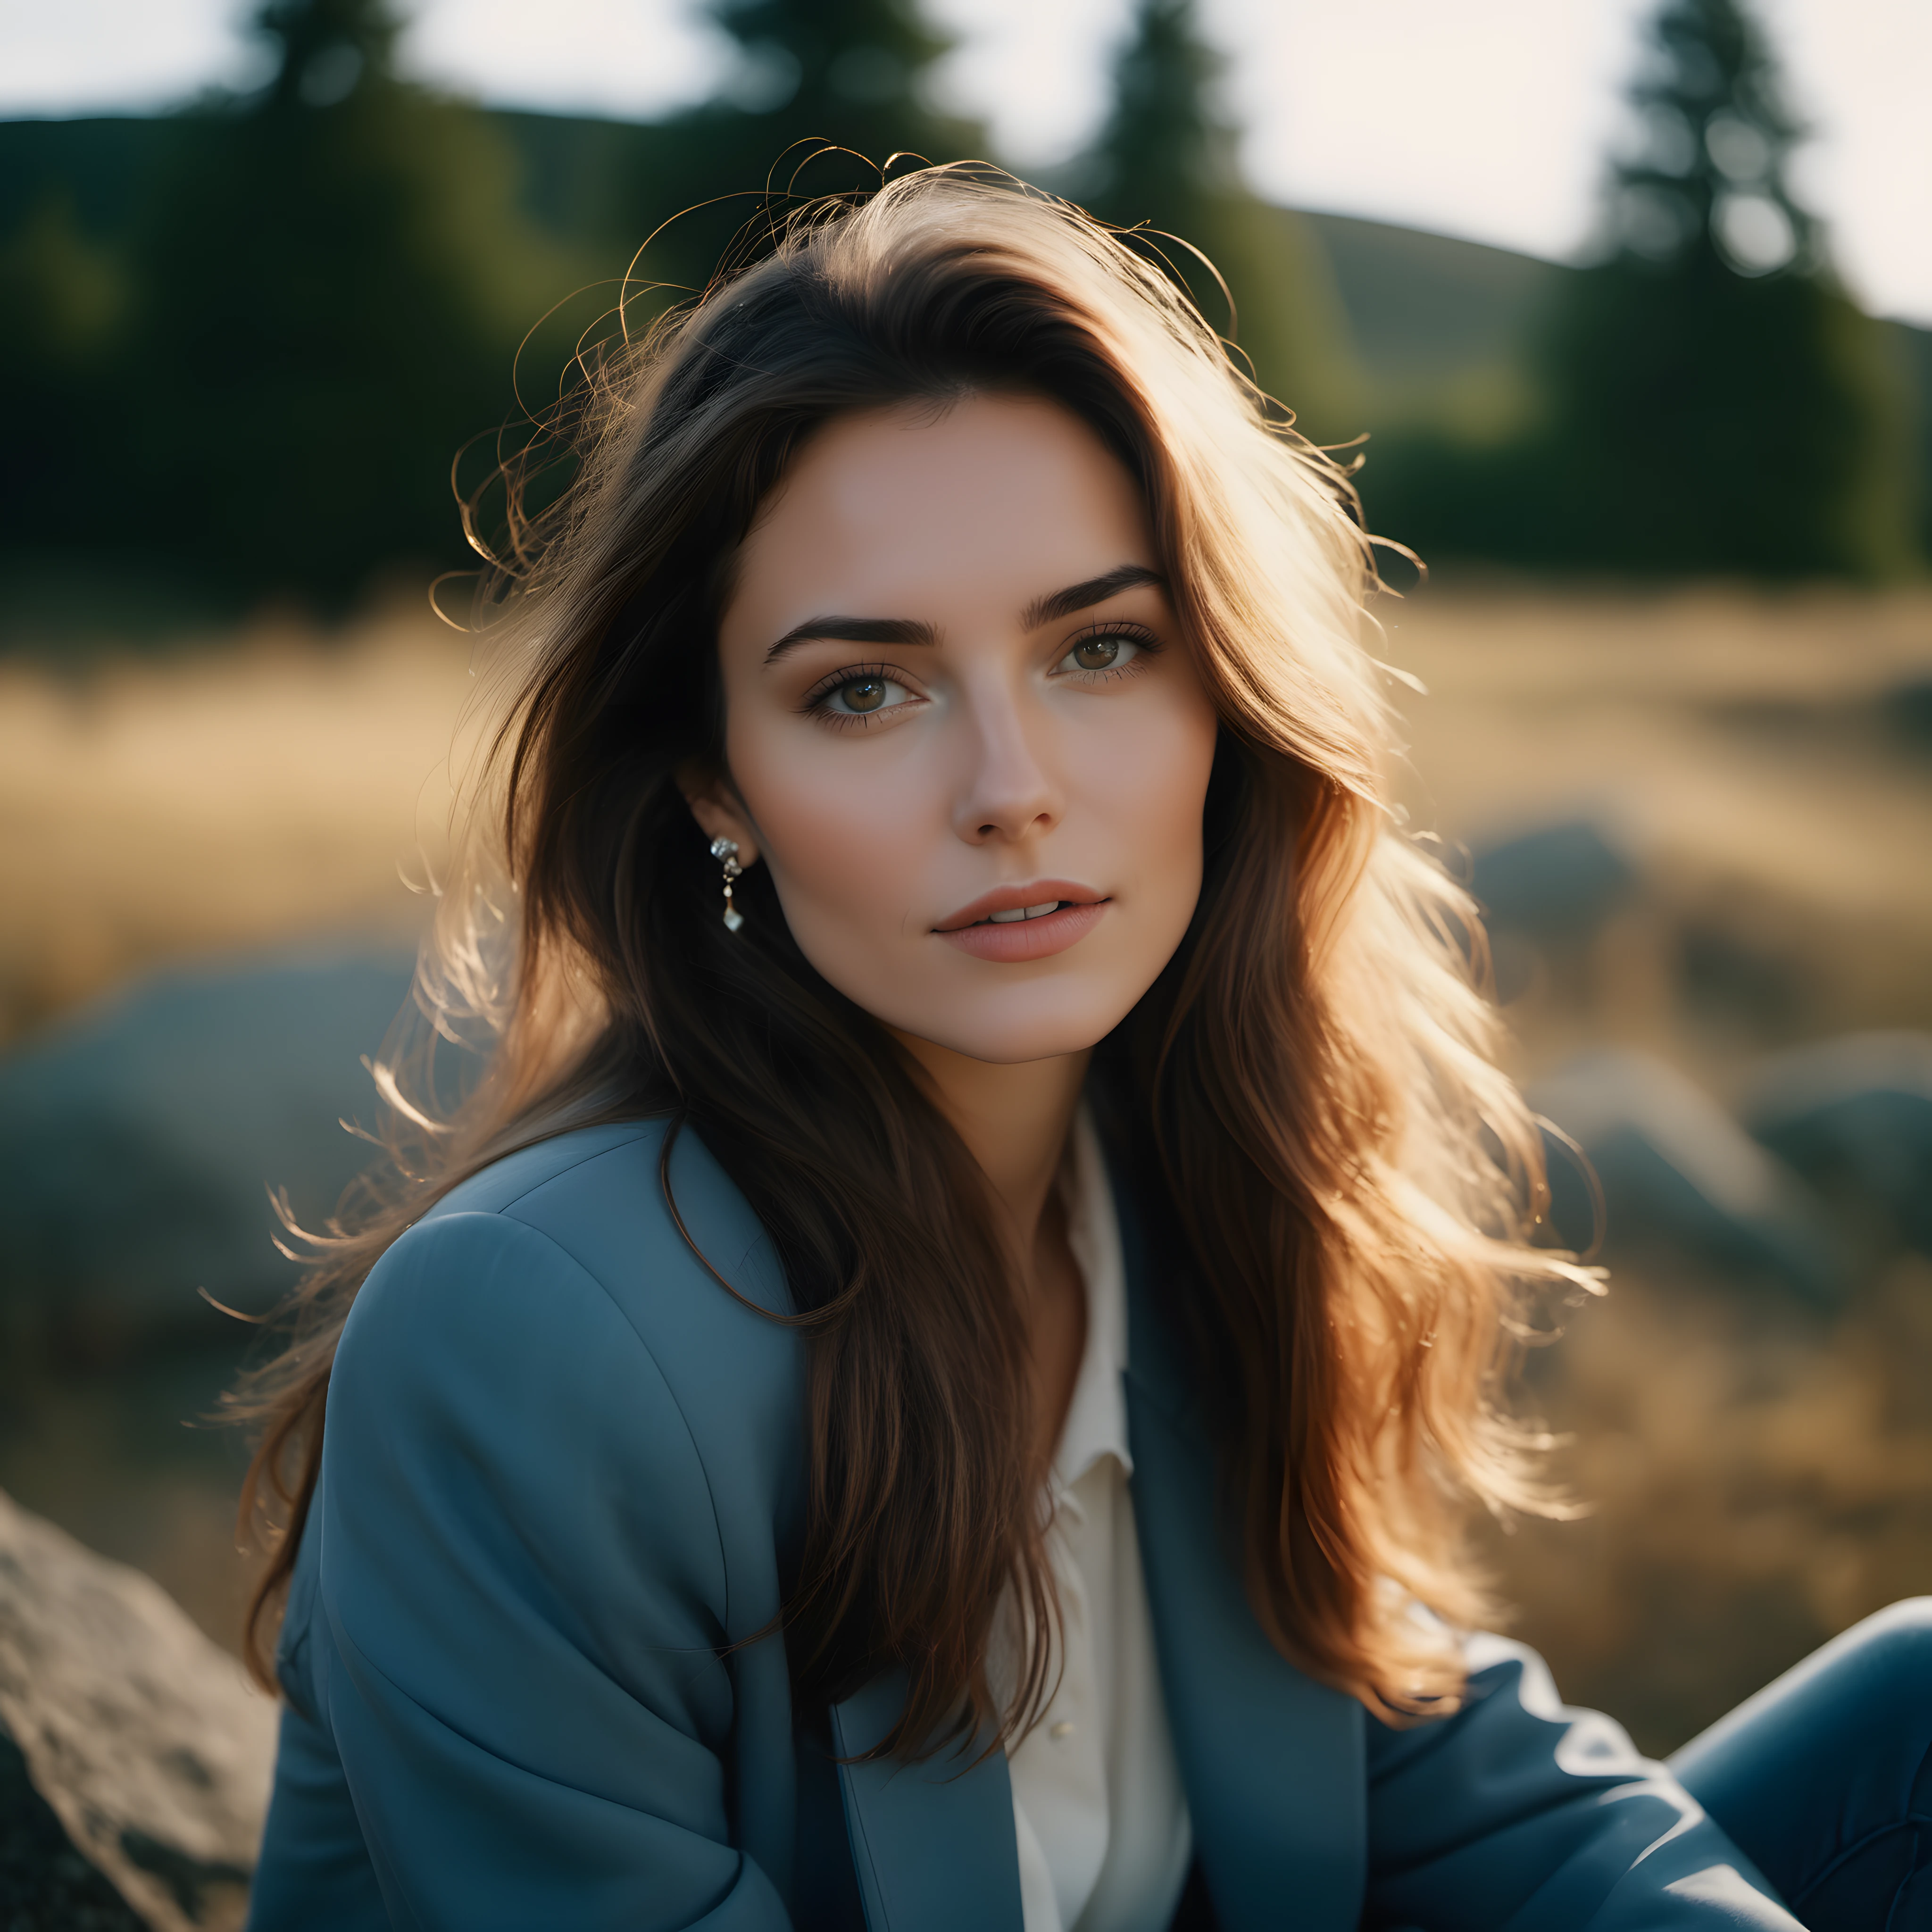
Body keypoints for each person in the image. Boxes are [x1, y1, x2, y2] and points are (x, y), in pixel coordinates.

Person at [236, 169, 1932, 1931]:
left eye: (1101, 648)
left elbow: (1400, 1733)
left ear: (1229, 693)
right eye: (865, 689)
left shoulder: (1184, 1157)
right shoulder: (533, 1335)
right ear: (716, 784)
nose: (1011, 789)